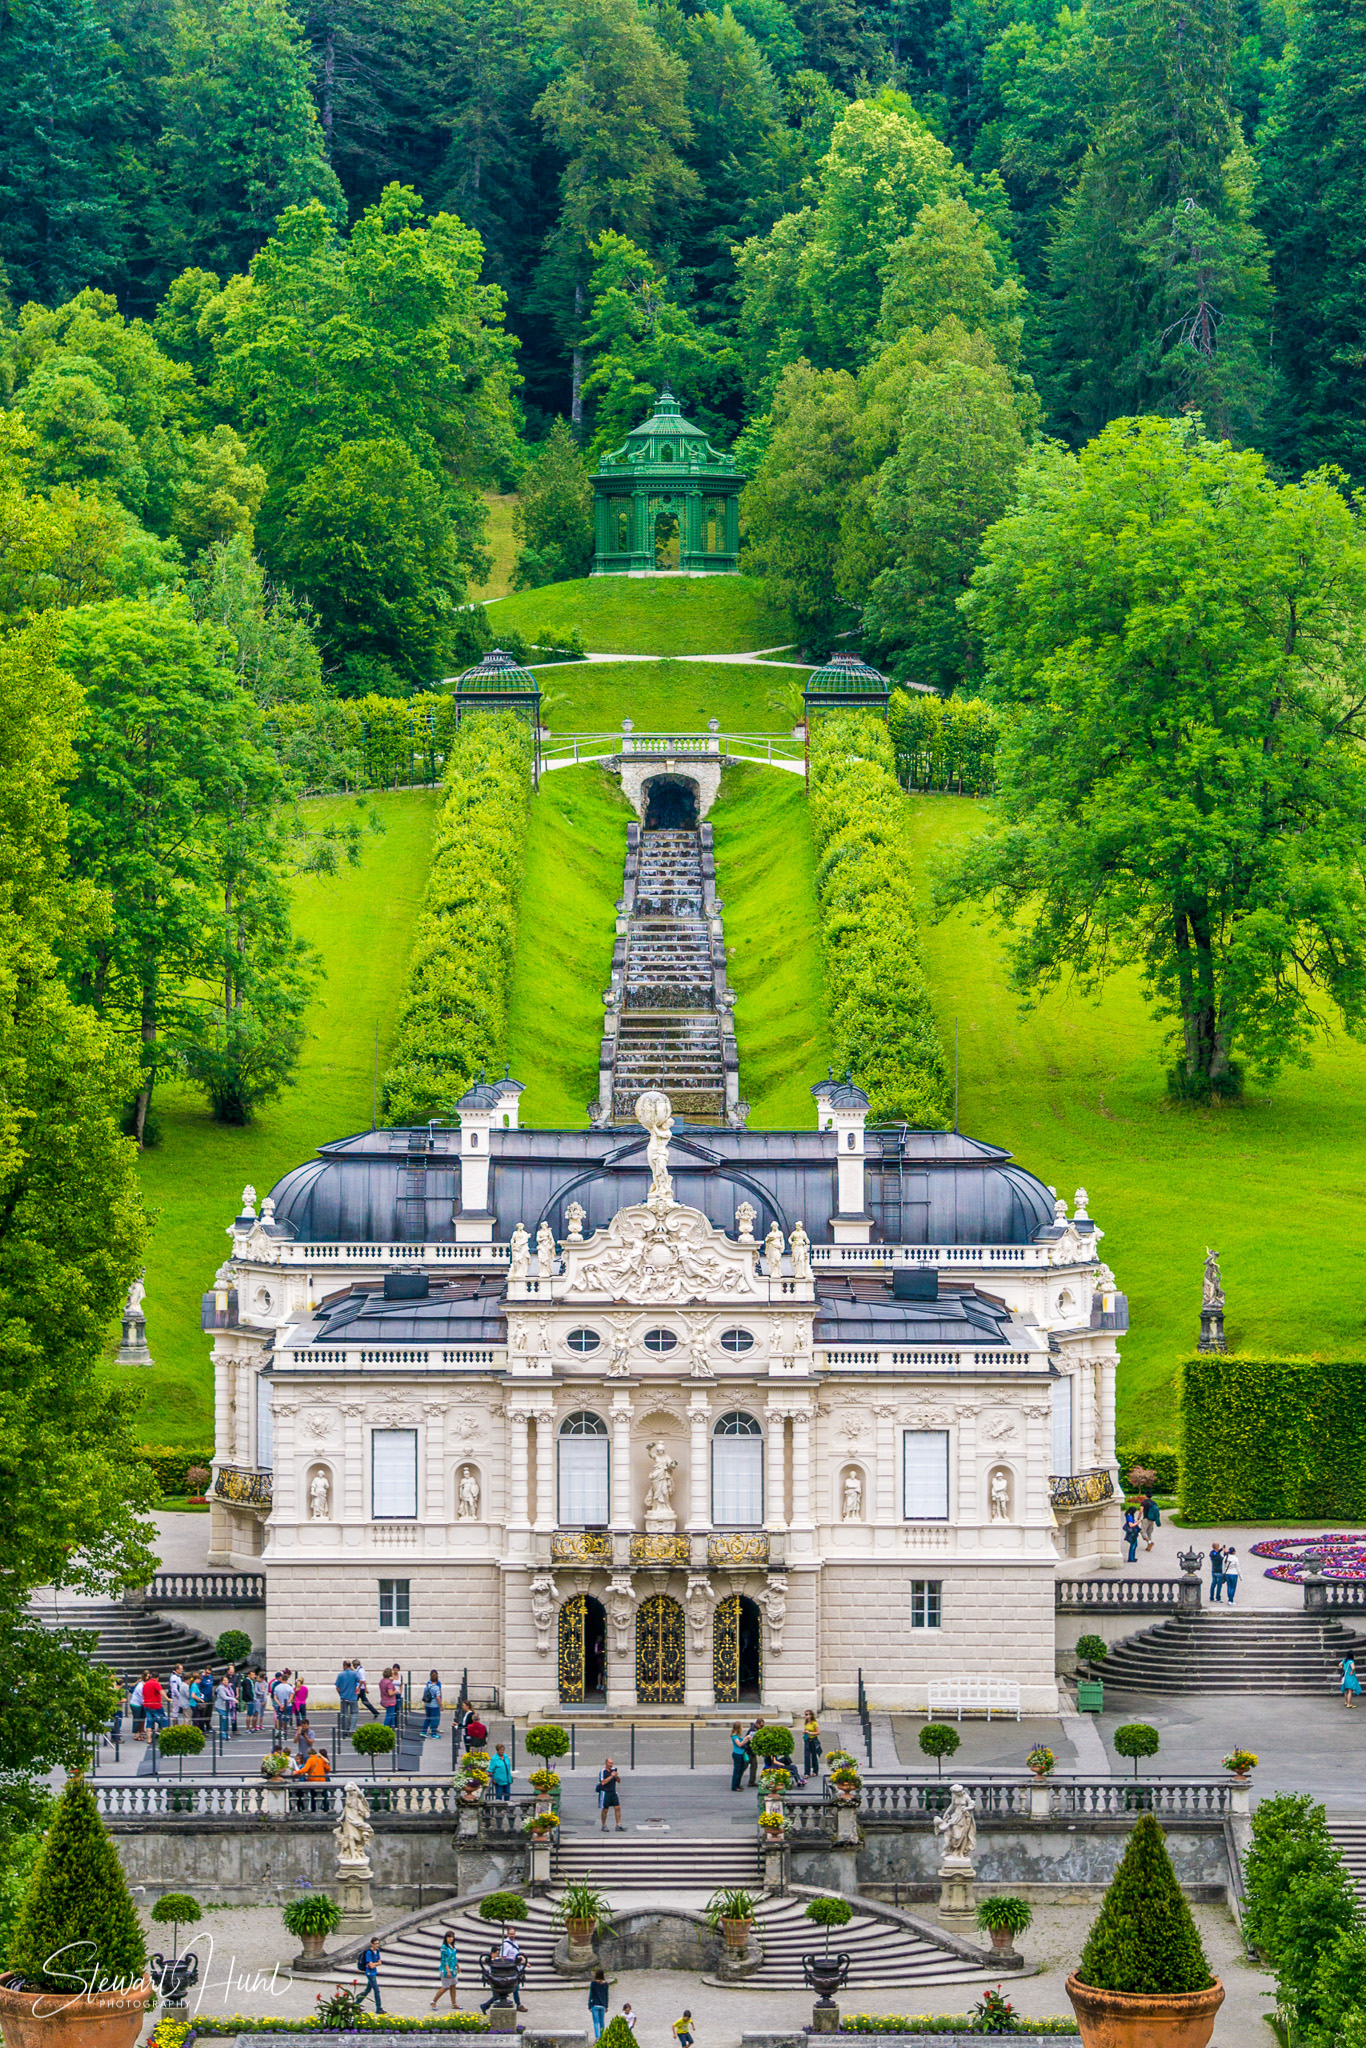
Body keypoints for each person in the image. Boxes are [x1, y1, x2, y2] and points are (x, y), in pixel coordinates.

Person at [432, 1932, 460, 2009]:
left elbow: (454, 1957)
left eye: (452, 1937)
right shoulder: (444, 1947)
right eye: (449, 1937)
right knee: (445, 1987)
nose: (451, 1938)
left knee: (453, 1986)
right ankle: (433, 2001)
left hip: (453, 1969)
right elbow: (444, 1960)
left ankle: (454, 2003)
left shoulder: (453, 1947)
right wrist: (448, 1971)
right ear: (446, 1938)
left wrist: (458, 1966)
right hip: (445, 1970)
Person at [597, 1756, 623, 1832]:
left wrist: (617, 1776)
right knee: (605, 1810)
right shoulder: (603, 1771)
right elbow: (603, 1782)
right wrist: (611, 1776)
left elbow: (619, 1781)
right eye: (609, 1763)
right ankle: (604, 1825)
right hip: (605, 1793)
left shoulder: (613, 1771)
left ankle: (618, 1824)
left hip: (613, 1792)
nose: (611, 1765)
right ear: (606, 1763)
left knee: (617, 1808)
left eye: (612, 1763)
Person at [336, 1661, 360, 1737]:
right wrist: (358, 1688)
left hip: (344, 1697)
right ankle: (352, 1730)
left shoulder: (340, 1675)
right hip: (353, 1697)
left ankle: (344, 1729)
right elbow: (361, 1681)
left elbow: (337, 1687)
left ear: (345, 1666)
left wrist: (340, 1694)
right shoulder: (354, 1673)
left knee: (344, 1714)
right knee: (354, 1713)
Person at [358, 1942, 383, 2013]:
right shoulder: (369, 1953)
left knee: (367, 1990)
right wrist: (377, 1963)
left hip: (373, 1972)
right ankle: (379, 2008)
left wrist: (375, 1964)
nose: (377, 1945)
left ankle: (356, 2004)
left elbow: (379, 1962)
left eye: (378, 1943)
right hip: (369, 1973)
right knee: (376, 1990)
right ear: (371, 1944)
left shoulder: (377, 1951)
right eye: (375, 1944)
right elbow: (372, 1966)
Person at [588, 1969, 610, 2040]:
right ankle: (602, 2036)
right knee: (602, 2021)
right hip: (602, 2005)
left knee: (596, 2022)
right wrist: (606, 2006)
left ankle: (597, 2037)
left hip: (595, 2005)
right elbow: (606, 1996)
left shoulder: (593, 1983)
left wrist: (589, 2005)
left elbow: (591, 1995)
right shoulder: (606, 1984)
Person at [142, 1670, 165, 1737]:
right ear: (157, 1678)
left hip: (146, 1704)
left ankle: (149, 1738)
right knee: (164, 1720)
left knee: (149, 1721)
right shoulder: (156, 1683)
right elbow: (161, 1691)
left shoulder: (146, 1683)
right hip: (155, 1705)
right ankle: (163, 1735)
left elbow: (143, 1694)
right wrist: (167, 1698)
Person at [214, 1674, 236, 1742]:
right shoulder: (221, 1688)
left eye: (226, 1680)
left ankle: (225, 1732)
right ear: (221, 1681)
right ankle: (223, 1732)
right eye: (224, 1680)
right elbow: (224, 1697)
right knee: (224, 1719)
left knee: (227, 1719)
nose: (226, 1681)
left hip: (227, 1706)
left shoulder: (229, 1687)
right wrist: (233, 1699)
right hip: (221, 1706)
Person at [422, 1671, 443, 1738]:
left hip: (428, 1705)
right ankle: (433, 1733)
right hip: (434, 1706)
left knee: (427, 1718)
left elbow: (425, 1696)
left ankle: (423, 1732)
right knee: (434, 1719)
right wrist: (441, 1706)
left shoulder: (427, 1686)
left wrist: (424, 1704)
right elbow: (438, 1697)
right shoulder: (436, 1687)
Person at [745, 1717, 765, 1787]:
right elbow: (751, 1741)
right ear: (757, 1724)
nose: (762, 1727)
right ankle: (737, 1782)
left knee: (754, 1766)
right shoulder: (753, 1730)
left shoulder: (757, 1729)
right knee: (744, 1766)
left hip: (752, 1752)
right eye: (761, 1726)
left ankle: (751, 1781)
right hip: (749, 1751)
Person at [802, 1710, 822, 1779]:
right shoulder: (806, 1723)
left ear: (811, 1715)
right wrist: (804, 1732)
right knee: (807, 1756)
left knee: (814, 1756)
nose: (806, 1716)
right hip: (807, 1740)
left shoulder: (814, 1723)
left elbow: (818, 1732)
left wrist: (810, 1733)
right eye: (805, 1714)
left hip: (813, 1740)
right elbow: (806, 1729)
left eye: (807, 1714)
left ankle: (815, 1771)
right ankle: (806, 1773)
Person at [730, 1722, 749, 1793]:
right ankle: (734, 1786)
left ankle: (738, 1784)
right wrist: (746, 1738)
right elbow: (739, 1744)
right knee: (737, 1770)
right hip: (737, 1754)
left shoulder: (738, 1736)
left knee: (741, 1770)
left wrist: (747, 1739)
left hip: (741, 1754)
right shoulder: (734, 1736)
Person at [130, 1675, 146, 1741]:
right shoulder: (140, 1687)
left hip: (140, 1704)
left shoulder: (141, 1684)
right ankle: (136, 1734)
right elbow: (141, 1697)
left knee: (141, 1718)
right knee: (136, 1719)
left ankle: (140, 1732)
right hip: (136, 1704)